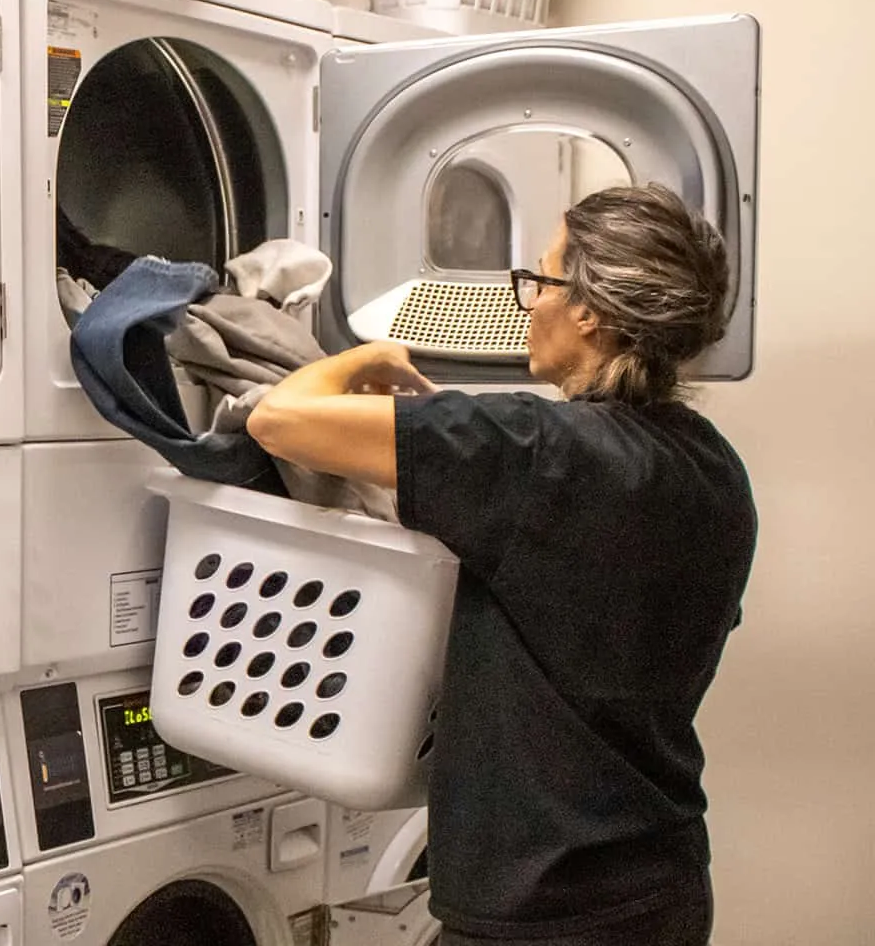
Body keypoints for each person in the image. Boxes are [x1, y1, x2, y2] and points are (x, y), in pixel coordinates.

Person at [246, 183, 758, 946]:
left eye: (541, 280)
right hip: (662, 881)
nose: (528, 302)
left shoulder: (532, 449)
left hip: (538, 908)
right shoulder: (715, 469)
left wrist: (365, 357)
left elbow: (277, 419)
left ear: (590, 311)